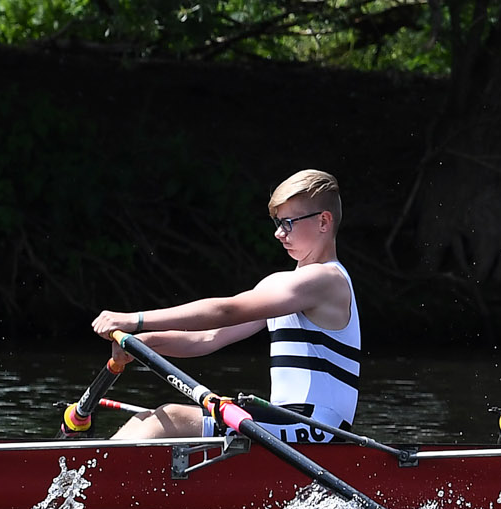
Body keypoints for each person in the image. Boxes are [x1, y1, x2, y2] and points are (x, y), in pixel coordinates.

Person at [89, 170, 361, 442]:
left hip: (320, 430)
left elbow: (225, 311)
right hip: (288, 422)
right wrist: (143, 343)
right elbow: (208, 337)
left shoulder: (327, 279)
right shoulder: (282, 285)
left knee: (170, 418)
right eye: (277, 223)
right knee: (150, 418)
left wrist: (135, 320)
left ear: (324, 222)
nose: (279, 233)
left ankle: (90, 480)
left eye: (288, 223)